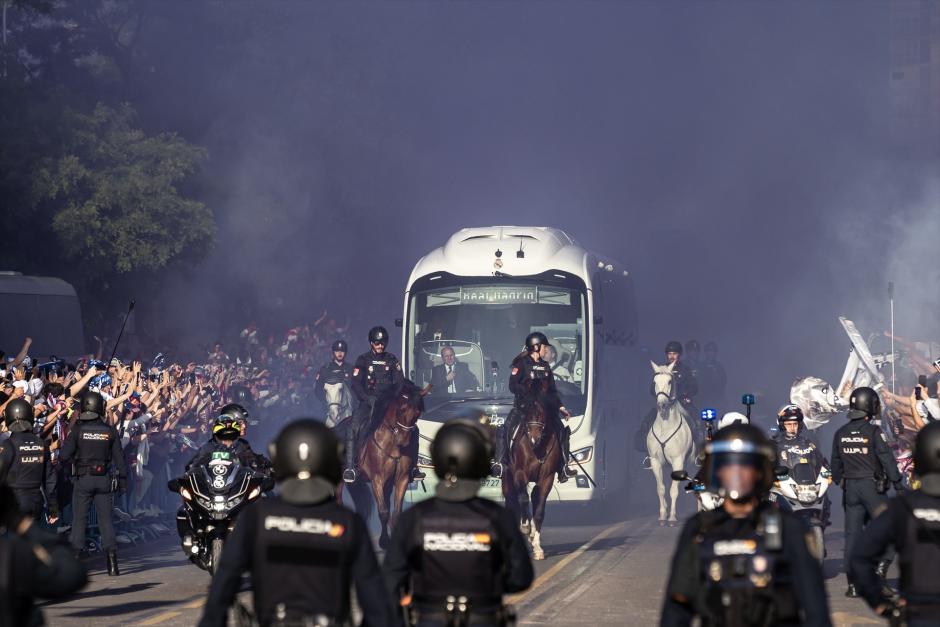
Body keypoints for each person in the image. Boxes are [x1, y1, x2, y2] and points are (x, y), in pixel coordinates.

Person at [198, 419, 397, 627]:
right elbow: (376, 605)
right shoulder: (348, 522)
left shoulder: (255, 518)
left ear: (279, 458)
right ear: (331, 459)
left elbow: (221, 591)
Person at [661, 423, 831, 626]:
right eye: (727, 464)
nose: (736, 473)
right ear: (715, 471)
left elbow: (815, 608)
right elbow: (676, 608)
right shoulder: (699, 529)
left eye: (746, 464)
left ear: (761, 471)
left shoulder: (789, 528)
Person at [384, 419, 534, 626]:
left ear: (437, 460)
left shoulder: (413, 518)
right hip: (483, 618)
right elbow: (521, 578)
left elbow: (391, 580)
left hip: (430, 618)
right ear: (481, 462)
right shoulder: (498, 517)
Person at [849, 421, 940, 625]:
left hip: (918, 613)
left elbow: (860, 558)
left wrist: (881, 604)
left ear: (919, 458)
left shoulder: (903, 508)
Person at [831, 386, 902, 598]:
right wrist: (898, 485)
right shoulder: (874, 432)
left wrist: (842, 482)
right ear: (870, 406)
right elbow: (887, 460)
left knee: (852, 537)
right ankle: (879, 576)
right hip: (872, 489)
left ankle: (853, 585)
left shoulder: (840, 433)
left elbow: (835, 464)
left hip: (850, 490)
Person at [60, 390, 127, 576]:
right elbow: (120, 460)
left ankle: (73, 564)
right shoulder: (109, 431)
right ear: (101, 408)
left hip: (83, 480)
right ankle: (113, 565)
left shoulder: (78, 431)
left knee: (79, 521)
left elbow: (64, 456)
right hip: (104, 480)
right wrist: (123, 482)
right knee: (106, 521)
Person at [0, 483, 88, 626]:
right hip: (33, 503)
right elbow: (72, 575)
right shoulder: (10, 552)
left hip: (23, 500)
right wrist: (20, 521)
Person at [345, 326, 424, 482]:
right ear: (371, 343)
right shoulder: (363, 359)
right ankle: (351, 467)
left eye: (383, 343)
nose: (380, 346)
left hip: (388, 404)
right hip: (368, 402)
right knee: (353, 426)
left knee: (413, 428)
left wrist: (393, 397)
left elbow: (400, 382)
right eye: (377, 343)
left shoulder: (391, 359)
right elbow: (356, 383)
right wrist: (366, 398)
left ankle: (413, 468)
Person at [494, 332, 576, 483]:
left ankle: (564, 467)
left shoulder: (545, 366)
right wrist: (527, 390)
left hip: (544, 410)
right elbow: (512, 386)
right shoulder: (521, 364)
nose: (546, 350)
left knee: (561, 430)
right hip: (524, 408)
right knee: (505, 428)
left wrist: (561, 407)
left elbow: (552, 391)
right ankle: (498, 463)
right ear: (537, 347)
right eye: (544, 346)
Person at [0, 398, 58, 523]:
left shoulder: (9, 445)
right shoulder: (42, 445)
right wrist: (53, 508)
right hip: (36, 501)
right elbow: (49, 480)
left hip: (14, 501)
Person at [185, 404, 271, 474]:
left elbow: (255, 462)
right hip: (213, 492)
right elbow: (191, 468)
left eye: (245, 422)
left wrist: (269, 467)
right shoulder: (209, 447)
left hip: (238, 491)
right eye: (240, 422)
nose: (244, 426)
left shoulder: (242, 445)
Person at [698, 341, 728, 410]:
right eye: (709, 351)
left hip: (717, 397)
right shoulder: (700, 366)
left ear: (715, 353)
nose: (710, 353)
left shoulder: (719, 366)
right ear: (705, 352)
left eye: (712, 351)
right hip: (703, 397)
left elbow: (723, 381)